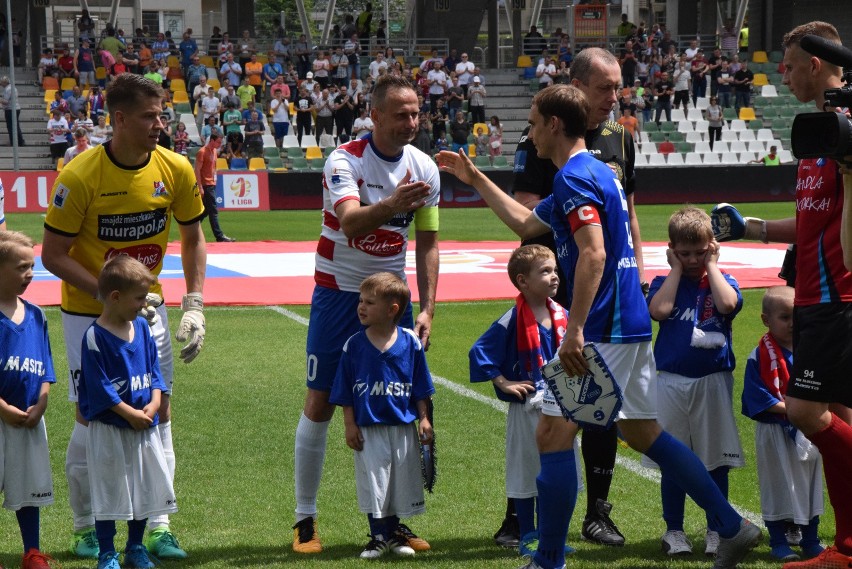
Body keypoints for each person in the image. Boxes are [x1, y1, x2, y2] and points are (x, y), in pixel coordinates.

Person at [438, 83, 762, 569]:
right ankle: (734, 527)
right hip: (625, 322)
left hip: (604, 327)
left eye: (532, 121)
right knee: (644, 433)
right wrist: (474, 177)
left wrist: (575, 329)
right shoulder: (591, 171)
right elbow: (529, 226)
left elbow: (593, 252)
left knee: (552, 433)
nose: (529, 132)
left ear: (552, 124)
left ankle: (547, 560)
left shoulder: (574, 178)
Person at [41, 73, 207, 561]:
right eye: (149, 116)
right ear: (117, 119)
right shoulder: (79, 175)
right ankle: (84, 526)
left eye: (162, 115)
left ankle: (158, 525)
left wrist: (194, 302)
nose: (160, 125)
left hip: (146, 311)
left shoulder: (175, 168)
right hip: (88, 318)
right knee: (92, 416)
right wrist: (111, 296)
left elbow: (193, 237)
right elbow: (53, 254)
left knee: (161, 412)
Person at [712, 22, 852, 569]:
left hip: (836, 300)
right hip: (819, 297)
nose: (784, 75)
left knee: (804, 410)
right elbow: (810, 222)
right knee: (836, 412)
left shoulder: (845, 136)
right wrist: (747, 228)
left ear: (816, 65)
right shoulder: (820, 139)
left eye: (789, 66)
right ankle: (845, 548)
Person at [504, 48, 647, 550]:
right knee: (545, 410)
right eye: (605, 88)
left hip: (605, 304)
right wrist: (548, 282)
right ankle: (521, 514)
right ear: (576, 89)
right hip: (559, 293)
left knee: (578, 419)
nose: (615, 97)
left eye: (618, 87)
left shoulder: (619, 139)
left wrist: (639, 275)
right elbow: (528, 216)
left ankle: (590, 516)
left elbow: (626, 216)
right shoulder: (543, 137)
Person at [292, 74, 440, 555]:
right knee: (320, 404)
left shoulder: (424, 167)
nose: (411, 122)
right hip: (338, 295)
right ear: (374, 115)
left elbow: (428, 241)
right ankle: (305, 520)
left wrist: (429, 308)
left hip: (394, 299)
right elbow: (352, 223)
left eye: (416, 113)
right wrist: (393, 203)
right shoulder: (344, 160)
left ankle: (392, 523)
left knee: (397, 407)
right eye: (400, 113)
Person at [644, 207, 745, 557]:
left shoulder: (721, 278)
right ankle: (674, 530)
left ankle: (718, 528)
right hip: (671, 380)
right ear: (672, 249)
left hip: (713, 381)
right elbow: (658, 311)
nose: (692, 260)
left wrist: (712, 266)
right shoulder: (664, 281)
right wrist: (674, 269)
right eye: (684, 253)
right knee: (673, 458)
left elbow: (728, 304)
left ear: (712, 246)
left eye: (700, 252)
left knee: (715, 459)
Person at [469, 245, 580, 558]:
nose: (554, 276)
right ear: (523, 281)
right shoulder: (512, 318)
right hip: (527, 409)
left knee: (555, 471)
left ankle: (549, 535)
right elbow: (480, 351)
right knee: (524, 472)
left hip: (560, 409)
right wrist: (503, 381)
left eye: (555, 270)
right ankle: (528, 534)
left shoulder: (563, 314)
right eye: (545, 271)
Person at [78, 255, 176, 569]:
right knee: (109, 489)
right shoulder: (95, 337)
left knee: (143, 487)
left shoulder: (143, 330)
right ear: (116, 297)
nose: (143, 304)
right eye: (138, 298)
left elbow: (155, 370)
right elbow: (99, 387)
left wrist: (155, 400)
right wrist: (128, 413)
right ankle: (107, 552)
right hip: (110, 427)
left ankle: (135, 547)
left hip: (143, 425)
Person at [329, 271, 434, 559]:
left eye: (369, 302)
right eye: (361, 301)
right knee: (375, 483)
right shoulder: (354, 345)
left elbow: (420, 386)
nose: (361, 307)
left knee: (400, 483)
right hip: (369, 427)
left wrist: (424, 418)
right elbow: (345, 391)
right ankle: (377, 537)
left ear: (392, 310)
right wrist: (349, 425)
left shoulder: (411, 343)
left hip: (402, 426)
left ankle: (394, 534)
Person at [741, 286, 825, 562]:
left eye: (796, 316)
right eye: (785, 317)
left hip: (809, 429)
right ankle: (778, 541)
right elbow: (758, 399)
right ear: (767, 320)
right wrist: (797, 410)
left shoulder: (811, 350)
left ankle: (810, 540)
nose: (792, 323)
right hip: (775, 431)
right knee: (777, 485)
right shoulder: (760, 356)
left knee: (811, 484)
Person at [0, 230, 58, 569]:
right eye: (21, 267)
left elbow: (46, 365)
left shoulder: (36, 314)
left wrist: (43, 401)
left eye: (32, 267)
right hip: (3, 413)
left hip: (29, 416)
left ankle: (32, 551)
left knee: (28, 486)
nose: (30, 274)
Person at [195, 131, 236, 243]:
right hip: (206, 184)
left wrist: (215, 180)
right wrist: (200, 187)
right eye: (218, 142)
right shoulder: (202, 152)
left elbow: (213, 168)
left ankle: (192, 227)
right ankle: (219, 236)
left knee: (206, 210)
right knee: (213, 210)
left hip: (211, 183)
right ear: (212, 140)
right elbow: (197, 170)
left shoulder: (214, 151)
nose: (220, 144)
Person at [0, 76, 24, 147]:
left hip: (11, 110)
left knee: (11, 127)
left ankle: (15, 142)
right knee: (15, 126)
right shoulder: (11, 88)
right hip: (13, 109)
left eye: (1, 82)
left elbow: (6, 101)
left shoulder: (8, 89)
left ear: (5, 82)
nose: (0, 83)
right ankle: (19, 141)